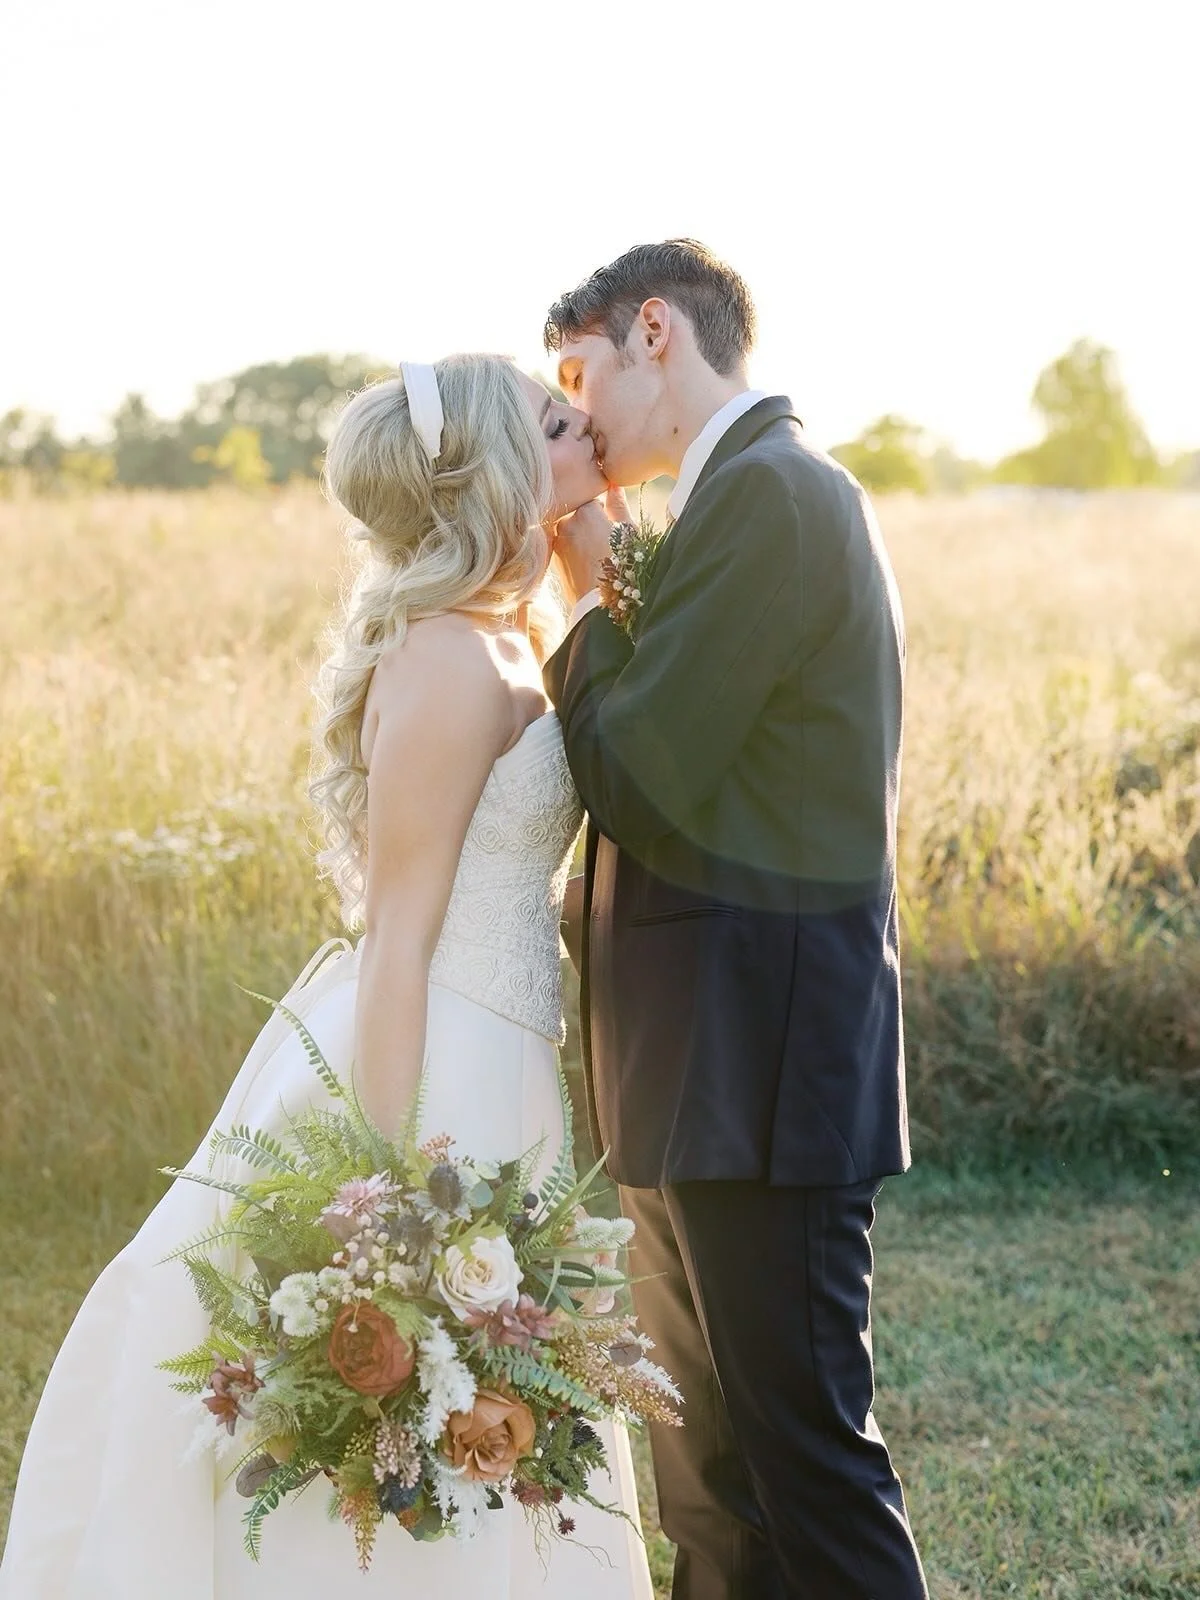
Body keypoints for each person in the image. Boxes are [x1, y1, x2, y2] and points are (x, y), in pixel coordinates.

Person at [0, 354, 654, 1600]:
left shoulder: (504, 636)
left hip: (508, 1053)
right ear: (500, 473)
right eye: (557, 425)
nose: (588, 436)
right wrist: (392, 1181)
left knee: (508, 1379)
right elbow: (400, 932)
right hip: (438, 1053)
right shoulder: (448, 663)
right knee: (431, 1372)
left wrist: (593, 567)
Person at [542, 239, 929, 1600]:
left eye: (579, 371)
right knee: (709, 1482)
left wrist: (591, 593)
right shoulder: (728, 505)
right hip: (699, 1064)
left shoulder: (778, 493)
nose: (576, 416)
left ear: (657, 331)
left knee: (803, 1467)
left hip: (762, 1065)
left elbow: (645, 773)